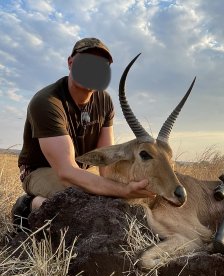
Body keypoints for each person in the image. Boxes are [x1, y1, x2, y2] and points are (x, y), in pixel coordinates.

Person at [12, 37, 155, 230]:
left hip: (80, 170)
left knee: (104, 191)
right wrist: (123, 190)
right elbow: (67, 172)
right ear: (70, 63)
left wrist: (123, 183)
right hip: (41, 170)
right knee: (79, 196)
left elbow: (106, 160)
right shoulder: (47, 102)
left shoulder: (104, 101)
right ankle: (28, 206)